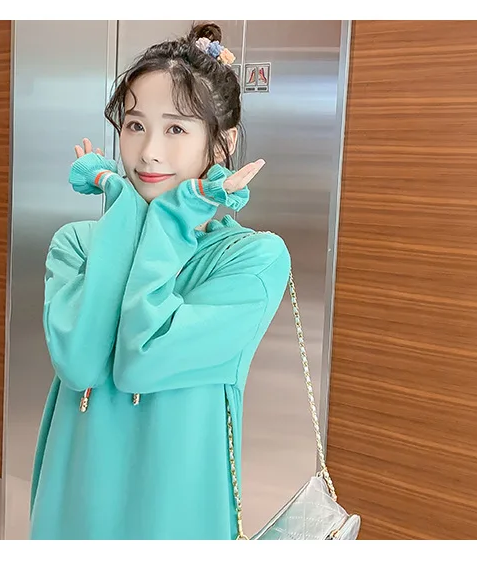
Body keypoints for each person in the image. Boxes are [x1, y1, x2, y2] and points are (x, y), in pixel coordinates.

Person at [29, 22, 291, 540]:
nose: (148, 151)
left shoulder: (251, 259)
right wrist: (125, 205)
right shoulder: (77, 243)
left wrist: (173, 217)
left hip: (175, 512)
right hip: (75, 500)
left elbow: (141, 358)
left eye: (175, 129)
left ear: (222, 143)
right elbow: (80, 361)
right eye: (134, 125)